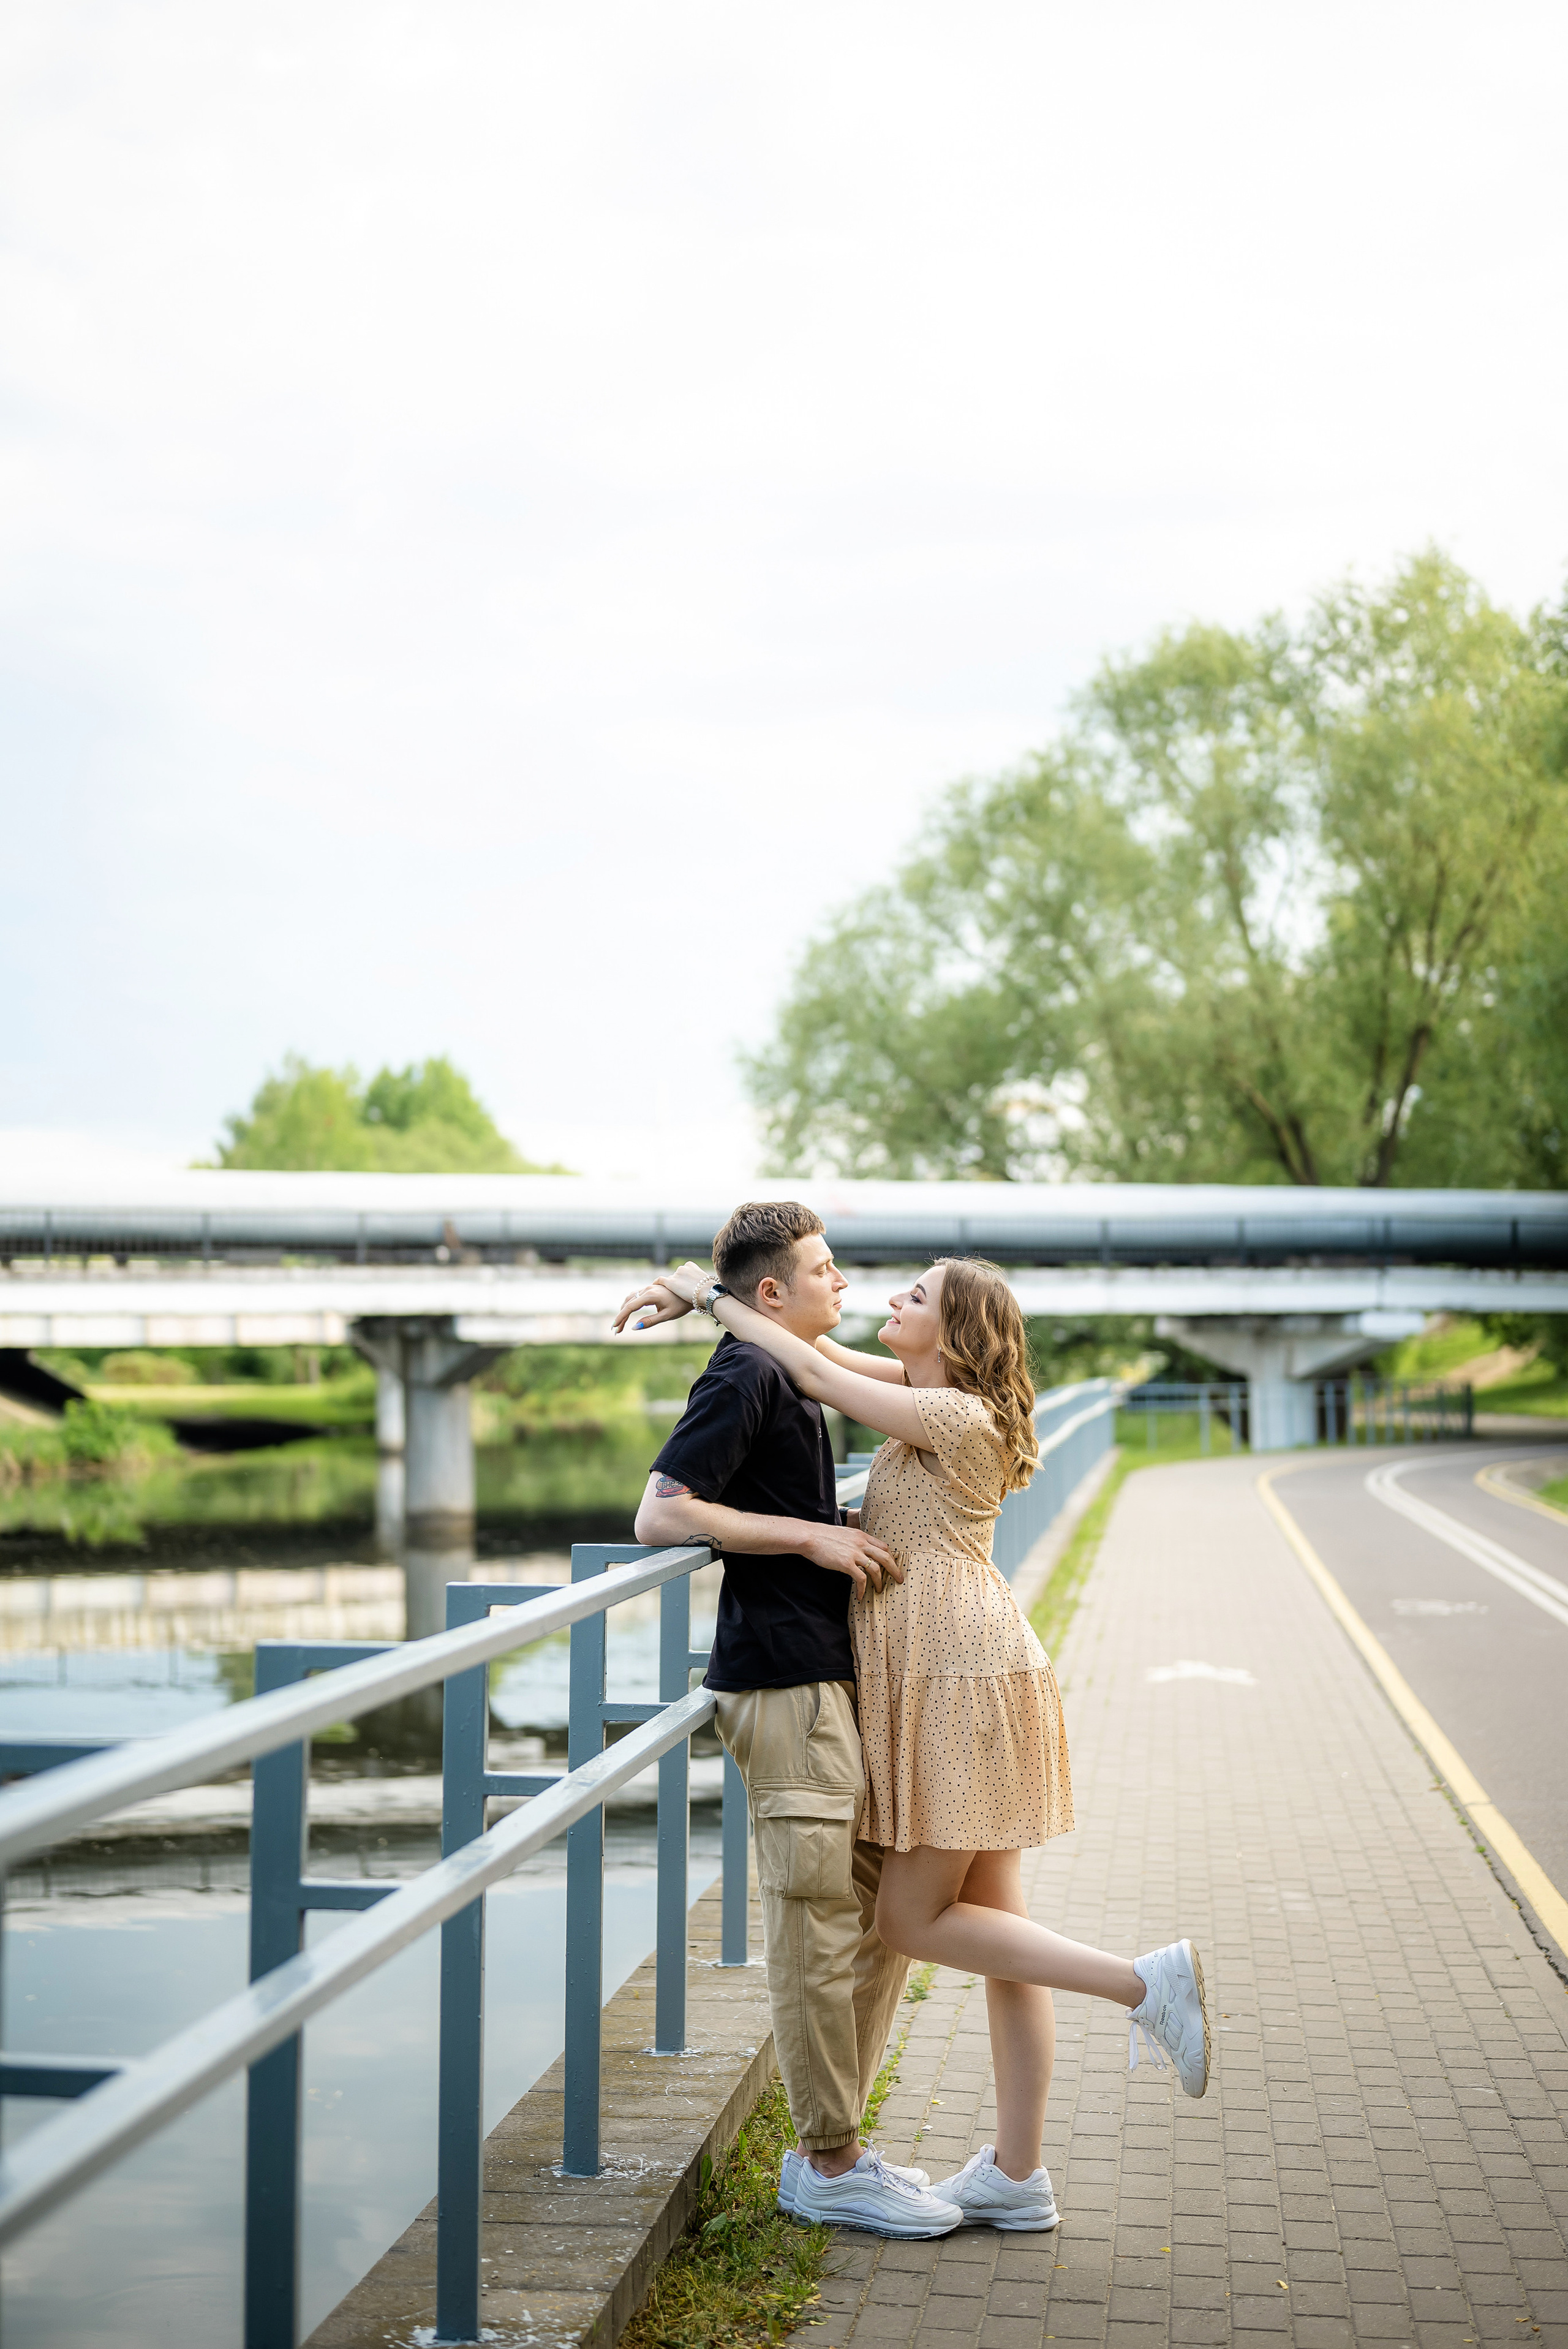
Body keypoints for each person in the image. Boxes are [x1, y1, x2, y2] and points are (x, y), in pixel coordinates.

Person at [619, 1244, 1210, 2236]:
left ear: (957, 1330)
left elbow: (807, 1366)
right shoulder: (927, 1388)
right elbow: (828, 1352)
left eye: (918, 1294)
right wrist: (706, 1291)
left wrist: (704, 1294)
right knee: (1001, 1933)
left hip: (961, 1681)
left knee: (905, 1919)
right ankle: (1018, 2176)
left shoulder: (954, 1413)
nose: (890, 1296)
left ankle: (1145, 1983)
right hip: (964, 1670)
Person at [624, 1201, 968, 2238]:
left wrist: (831, 1523)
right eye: (826, 1269)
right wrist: (810, 1542)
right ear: (774, 1292)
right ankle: (829, 2160)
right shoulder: (748, 1372)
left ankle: (835, 2143)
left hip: (823, 1678)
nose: (846, 1283)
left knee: (876, 1912)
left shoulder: (784, 1362)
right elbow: (661, 1512)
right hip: (782, 1682)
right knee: (817, 1920)